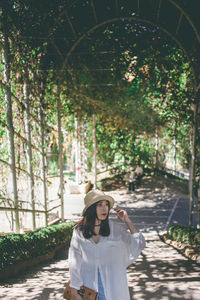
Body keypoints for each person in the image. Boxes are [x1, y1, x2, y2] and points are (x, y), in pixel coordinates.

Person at [68, 189, 146, 300]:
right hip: (89, 288)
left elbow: (139, 244)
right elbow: (74, 261)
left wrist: (127, 221)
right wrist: (74, 290)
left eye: (106, 205)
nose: (104, 208)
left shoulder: (115, 229)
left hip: (113, 288)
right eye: (99, 205)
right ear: (91, 209)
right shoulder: (79, 231)